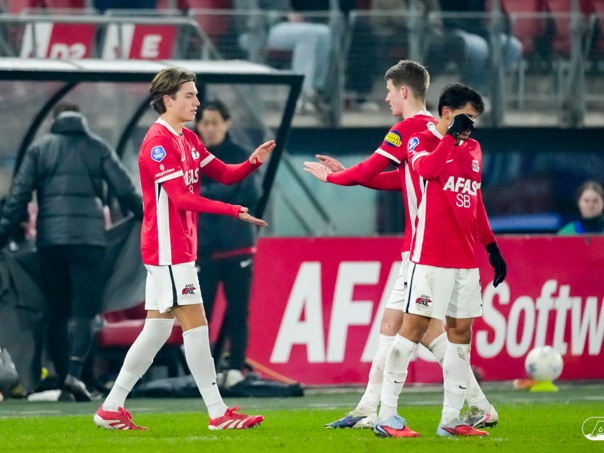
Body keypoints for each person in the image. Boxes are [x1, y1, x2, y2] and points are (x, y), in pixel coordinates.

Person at [303, 61, 500, 431]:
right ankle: (370, 408)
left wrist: (335, 179)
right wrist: (348, 175)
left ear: (404, 91)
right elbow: (400, 180)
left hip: (425, 250)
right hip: (425, 250)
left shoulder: (410, 130)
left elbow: (371, 170)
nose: (387, 98)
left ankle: (469, 406)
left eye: (390, 90)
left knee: (419, 330)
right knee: (396, 324)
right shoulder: (432, 131)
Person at [93, 67, 275, 431]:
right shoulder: (157, 143)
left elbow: (224, 173)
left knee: (156, 331)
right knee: (196, 325)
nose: (197, 101)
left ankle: (110, 408)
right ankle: (217, 413)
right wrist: (232, 210)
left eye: (195, 94)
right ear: (168, 100)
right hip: (167, 250)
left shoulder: (188, 138)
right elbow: (181, 198)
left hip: (177, 250)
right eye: (189, 95)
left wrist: (251, 163)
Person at [371, 83, 506, 437]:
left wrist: (491, 247)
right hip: (429, 257)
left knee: (461, 334)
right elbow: (428, 171)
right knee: (413, 330)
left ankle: (451, 419)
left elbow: (474, 200)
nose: (471, 126)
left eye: (475, 120)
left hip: (465, 259)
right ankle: (387, 416)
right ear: (447, 112)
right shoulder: (422, 141)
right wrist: (449, 138)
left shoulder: (474, 149)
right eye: (466, 118)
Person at [0, 101, 144, 402]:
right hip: (90, 242)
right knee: (85, 312)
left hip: (51, 242)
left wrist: (2, 232)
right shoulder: (98, 147)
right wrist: (147, 216)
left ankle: (66, 377)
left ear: (54, 120)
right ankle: (78, 374)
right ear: (81, 118)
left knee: (58, 312)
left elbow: (19, 196)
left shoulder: (40, 150)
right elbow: (125, 190)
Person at [194, 100, 261, 389]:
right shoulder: (191, 156)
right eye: (204, 123)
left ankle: (235, 368)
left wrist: (208, 196)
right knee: (200, 315)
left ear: (226, 123)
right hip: (204, 249)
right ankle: (204, 371)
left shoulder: (241, 155)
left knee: (238, 311)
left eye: (214, 122)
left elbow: (251, 193)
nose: (209, 128)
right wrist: (225, 192)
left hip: (237, 246)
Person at [236, 0, 332, 109]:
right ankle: (302, 92)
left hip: (279, 27)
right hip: (256, 33)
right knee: (307, 35)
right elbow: (245, 17)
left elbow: (284, 9)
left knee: (324, 32)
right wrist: (283, 17)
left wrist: (293, 17)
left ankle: (316, 90)